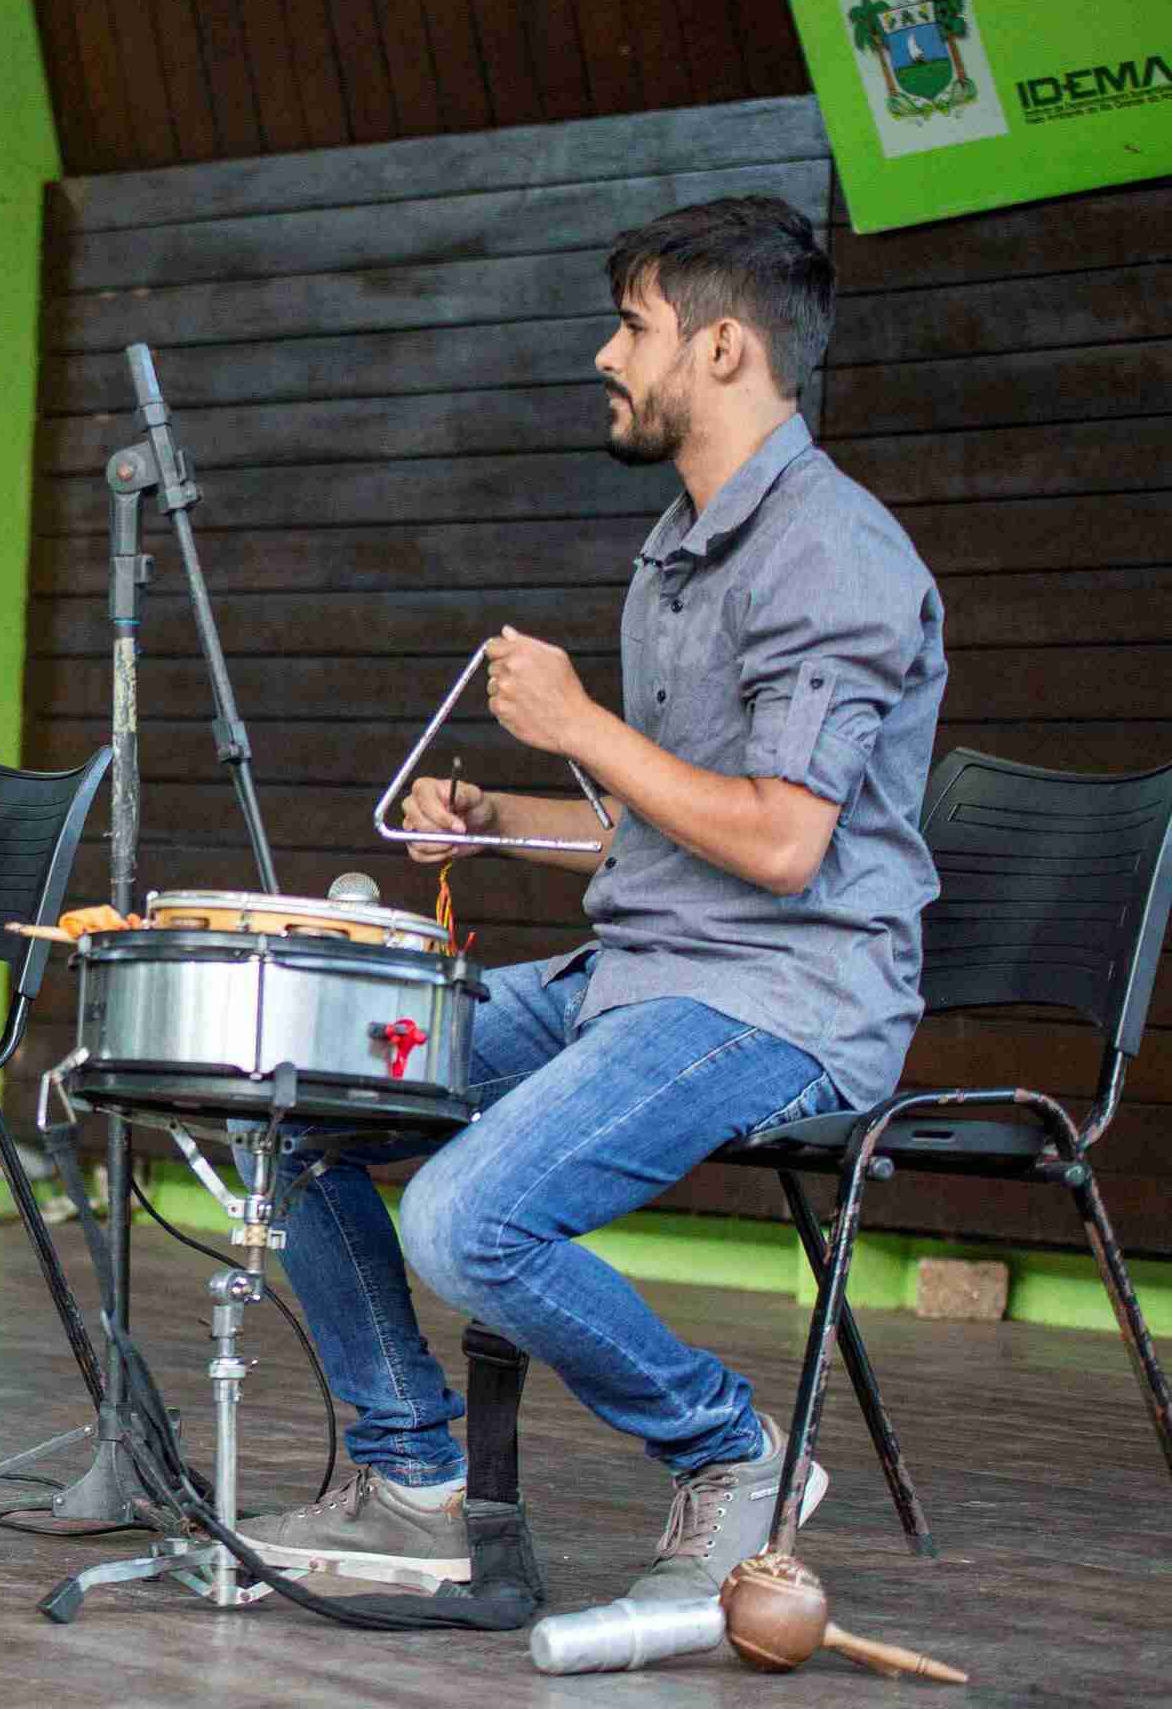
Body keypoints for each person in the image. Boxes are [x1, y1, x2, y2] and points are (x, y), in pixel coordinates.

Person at [246, 197, 946, 1600]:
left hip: (783, 1000)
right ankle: (411, 1476)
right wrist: (504, 818)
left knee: (464, 1219)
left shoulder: (834, 555)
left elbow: (786, 846)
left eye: (634, 327)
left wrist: (573, 722)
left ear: (728, 348)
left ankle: (732, 1448)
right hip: (637, 974)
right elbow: (667, 818)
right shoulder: (680, 546)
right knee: (290, 1101)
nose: (604, 354)